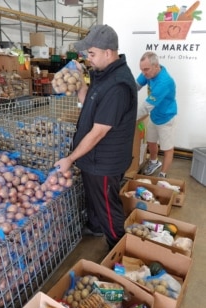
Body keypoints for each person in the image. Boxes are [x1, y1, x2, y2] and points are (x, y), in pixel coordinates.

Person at [53, 24, 138, 250]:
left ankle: (119, 249)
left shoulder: (118, 85)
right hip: (94, 159)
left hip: (104, 161)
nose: (87, 58)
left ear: (108, 53)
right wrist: (80, 82)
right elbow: (88, 101)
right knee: (95, 199)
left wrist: (70, 159)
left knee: (108, 208)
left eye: (91, 54)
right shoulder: (104, 74)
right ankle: (96, 225)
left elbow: (99, 131)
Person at [136, 51, 177, 178]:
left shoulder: (165, 82)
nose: (144, 73)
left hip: (166, 118)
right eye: (142, 70)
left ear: (156, 66)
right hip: (154, 115)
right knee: (151, 141)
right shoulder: (148, 72)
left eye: (146, 70)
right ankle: (154, 162)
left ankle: (163, 174)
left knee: (167, 148)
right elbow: (134, 86)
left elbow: (145, 108)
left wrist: (127, 118)